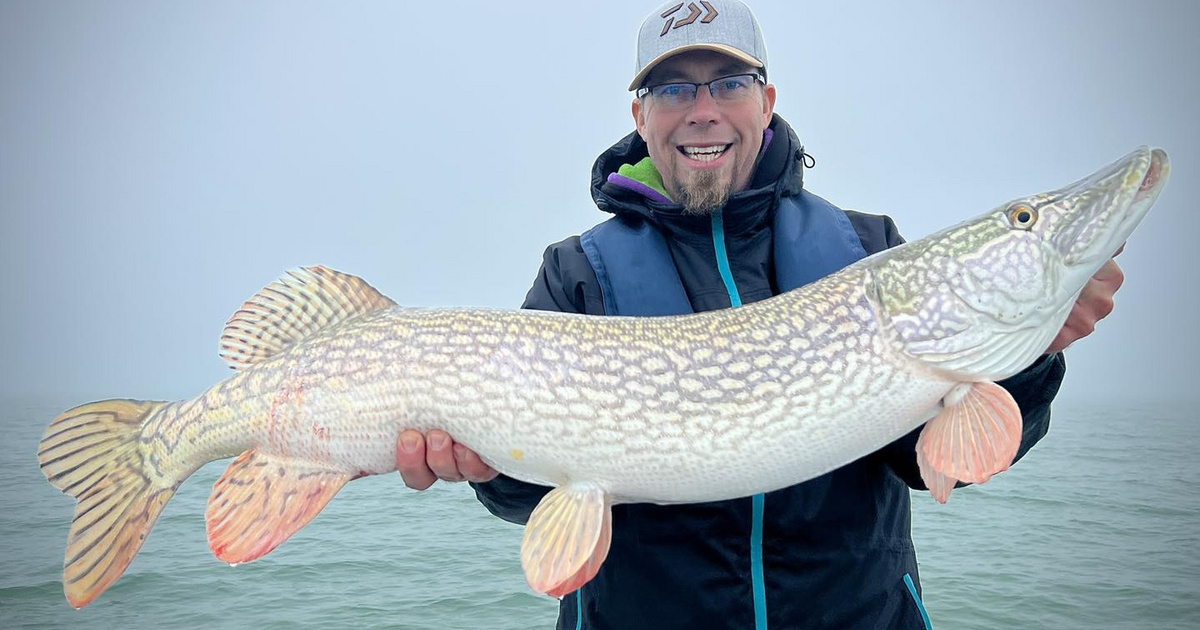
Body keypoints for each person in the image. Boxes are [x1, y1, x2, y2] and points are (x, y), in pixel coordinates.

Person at [393, 1, 1125, 628]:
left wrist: (1029, 356)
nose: (703, 110)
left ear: (766, 102)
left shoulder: (866, 250)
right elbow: (526, 491)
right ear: (640, 117)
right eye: (673, 88)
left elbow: (933, 462)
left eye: (730, 83)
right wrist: (484, 467)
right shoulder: (577, 271)